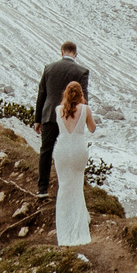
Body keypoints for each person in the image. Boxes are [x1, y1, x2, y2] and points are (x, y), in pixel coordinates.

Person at [34, 42, 89, 196]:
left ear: (61, 52)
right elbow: (84, 98)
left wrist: (38, 119)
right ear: (75, 53)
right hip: (70, 117)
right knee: (70, 151)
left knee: (46, 150)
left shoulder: (49, 68)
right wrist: (82, 119)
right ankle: (68, 187)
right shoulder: (82, 71)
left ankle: (42, 188)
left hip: (50, 115)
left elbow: (42, 95)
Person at [54, 78, 97, 249]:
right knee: (77, 186)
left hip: (62, 149)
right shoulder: (85, 109)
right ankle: (79, 225)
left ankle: (64, 230)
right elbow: (92, 128)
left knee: (64, 187)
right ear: (80, 95)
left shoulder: (58, 109)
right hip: (78, 149)